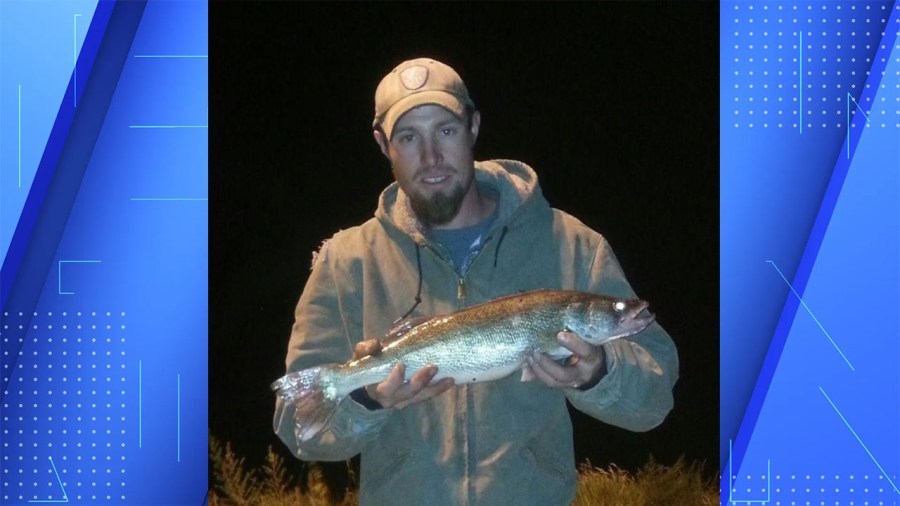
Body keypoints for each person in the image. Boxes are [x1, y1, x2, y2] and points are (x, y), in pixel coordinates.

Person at [273, 57, 679, 505]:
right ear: (382, 144)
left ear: (473, 127)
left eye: (445, 131)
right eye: (408, 138)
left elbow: (655, 399)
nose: (430, 158)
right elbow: (300, 429)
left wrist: (600, 373)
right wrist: (366, 400)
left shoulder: (572, 245)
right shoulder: (346, 261)